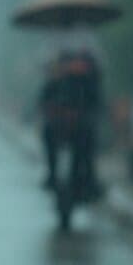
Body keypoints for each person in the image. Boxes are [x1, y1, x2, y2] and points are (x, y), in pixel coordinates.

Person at [39, 35, 104, 198]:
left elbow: (96, 95)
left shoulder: (88, 40)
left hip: (81, 117)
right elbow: (45, 96)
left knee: (88, 141)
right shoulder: (51, 42)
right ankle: (52, 173)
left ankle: (89, 180)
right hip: (59, 119)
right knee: (47, 134)